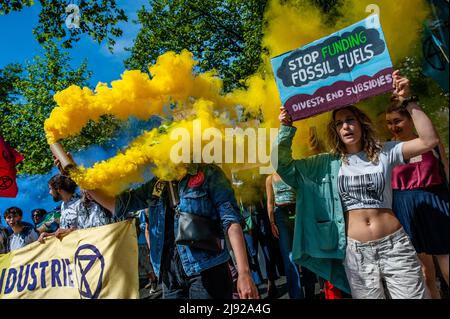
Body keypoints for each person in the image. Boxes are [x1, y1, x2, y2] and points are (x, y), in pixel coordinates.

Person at [276, 70, 438, 298]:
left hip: (395, 246)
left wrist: (408, 100)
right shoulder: (326, 164)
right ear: (336, 131)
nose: (346, 126)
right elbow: (283, 166)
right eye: (339, 123)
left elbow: (429, 141)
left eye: (350, 120)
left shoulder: (385, 152)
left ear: (361, 124)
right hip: (356, 252)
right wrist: (286, 128)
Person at [87, 163, 259, 299]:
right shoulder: (157, 184)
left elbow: (231, 221)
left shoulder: (209, 173)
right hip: (170, 276)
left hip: (206, 270)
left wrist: (244, 272)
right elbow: (118, 205)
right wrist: (81, 180)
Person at [386, 100, 449, 298]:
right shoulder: (388, 149)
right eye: (389, 122)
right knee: (424, 272)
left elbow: (446, 168)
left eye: (397, 120)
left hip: (434, 200)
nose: (393, 127)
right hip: (405, 208)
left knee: (446, 261)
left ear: (411, 120)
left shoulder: (430, 141)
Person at [266, 172, 303, 298]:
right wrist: (272, 223)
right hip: (280, 216)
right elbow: (270, 203)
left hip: (298, 212)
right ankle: (296, 296)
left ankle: (310, 292)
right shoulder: (270, 179)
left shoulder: (293, 172)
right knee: (289, 257)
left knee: (305, 253)